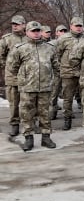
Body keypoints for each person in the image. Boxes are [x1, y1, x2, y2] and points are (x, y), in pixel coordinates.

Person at [7, 21, 60, 151]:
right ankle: (28, 138)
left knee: (45, 113)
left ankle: (46, 138)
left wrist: (51, 79)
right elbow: (12, 67)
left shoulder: (49, 48)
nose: (36, 33)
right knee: (26, 114)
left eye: (38, 31)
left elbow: (56, 66)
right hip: (27, 88)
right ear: (27, 32)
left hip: (45, 87)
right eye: (33, 31)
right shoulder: (20, 48)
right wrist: (22, 79)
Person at [0, 15, 27, 140]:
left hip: (28, 77)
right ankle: (15, 124)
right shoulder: (7, 39)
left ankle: (30, 123)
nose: (15, 26)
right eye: (13, 24)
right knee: (14, 103)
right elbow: (1, 56)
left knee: (30, 102)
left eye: (17, 23)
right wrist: (9, 66)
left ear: (24, 25)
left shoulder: (29, 38)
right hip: (13, 76)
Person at [56, 17, 84, 130]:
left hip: (83, 73)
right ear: (71, 26)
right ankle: (67, 119)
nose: (78, 28)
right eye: (76, 26)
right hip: (68, 73)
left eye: (80, 26)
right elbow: (57, 55)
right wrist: (63, 66)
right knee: (68, 98)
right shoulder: (63, 39)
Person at [48, 25, 68, 120]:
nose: (63, 32)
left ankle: (68, 113)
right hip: (56, 72)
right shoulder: (51, 44)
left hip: (68, 71)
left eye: (64, 31)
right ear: (56, 33)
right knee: (54, 94)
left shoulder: (70, 42)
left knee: (67, 94)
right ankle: (52, 112)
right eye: (61, 31)